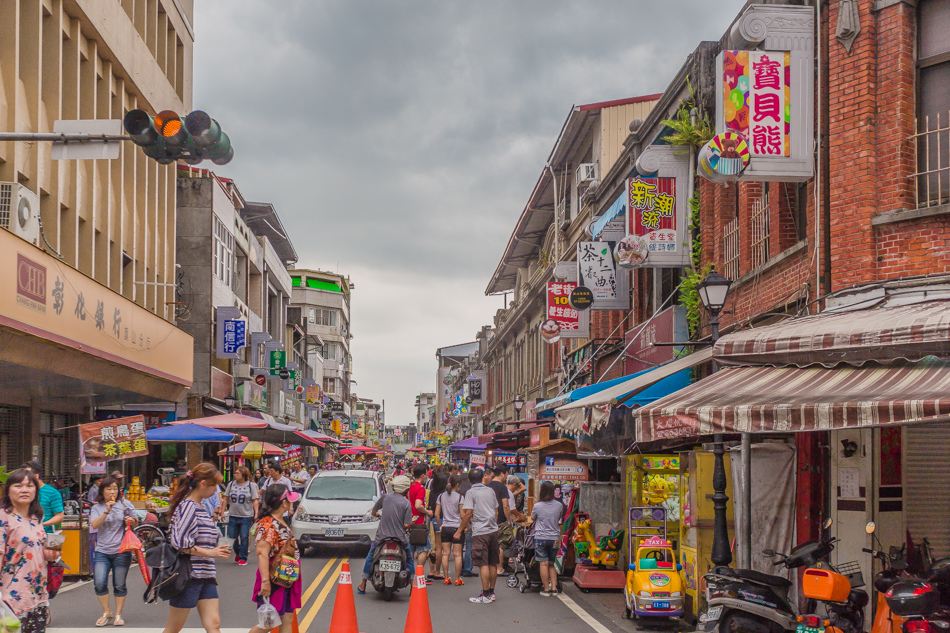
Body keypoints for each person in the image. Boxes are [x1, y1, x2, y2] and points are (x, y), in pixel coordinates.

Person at [163, 463, 231, 633]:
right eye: (213, 485)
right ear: (202, 484)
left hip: (206, 574)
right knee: (174, 628)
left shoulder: (199, 507)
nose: (216, 490)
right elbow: (180, 543)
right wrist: (210, 552)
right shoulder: (188, 507)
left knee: (214, 624)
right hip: (189, 575)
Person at [0, 469, 59, 633]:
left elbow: (34, 550)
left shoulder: (36, 517)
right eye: (18, 486)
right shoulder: (3, 518)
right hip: (10, 597)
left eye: (29, 486)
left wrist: (50, 554)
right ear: (8, 490)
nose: (24, 490)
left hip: (37, 595)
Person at [248, 484, 301, 633]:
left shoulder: (281, 521)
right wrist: (265, 582)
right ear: (283, 502)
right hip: (274, 578)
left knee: (287, 620)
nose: (292, 503)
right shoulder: (267, 524)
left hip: (286, 577)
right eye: (289, 500)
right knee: (269, 623)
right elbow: (262, 554)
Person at [90, 475, 138, 626]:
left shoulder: (125, 505)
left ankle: (118, 614)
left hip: (121, 550)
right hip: (102, 551)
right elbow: (94, 526)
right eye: (109, 488)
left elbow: (136, 522)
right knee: (99, 582)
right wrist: (106, 511)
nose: (112, 491)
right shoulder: (96, 508)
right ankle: (106, 611)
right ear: (102, 491)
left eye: (115, 488)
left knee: (119, 584)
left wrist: (131, 521)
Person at [356, 475, 413, 594]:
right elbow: (407, 525)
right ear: (406, 489)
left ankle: (363, 585)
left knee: (370, 557)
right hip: (400, 539)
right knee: (409, 560)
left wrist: (377, 515)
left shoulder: (385, 498)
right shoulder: (406, 503)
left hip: (381, 537)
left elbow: (374, 511)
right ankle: (413, 586)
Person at [455, 468, 499, 604]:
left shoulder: (471, 492)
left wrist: (459, 530)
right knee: (493, 562)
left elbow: (468, 513)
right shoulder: (490, 491)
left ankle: (485, 594)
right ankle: (491, 592)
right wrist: (492, 523)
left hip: (480, 531)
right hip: (493, 530)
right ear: (483, 478)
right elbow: (496, 511)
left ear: (468, 480)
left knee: (482, 563)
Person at [531, 481, 564, 597]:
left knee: (543, 564)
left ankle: (546, 589)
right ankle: (554, 589)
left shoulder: (537, 506)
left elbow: (533, 518)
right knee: (551, 563)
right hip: (554, 537)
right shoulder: (559, 505)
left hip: (540, 537)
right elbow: (559, 518)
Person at [222, 467, 259, 566]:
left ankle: (243, 557)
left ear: (244, 475)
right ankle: (238, 552)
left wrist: (256, 513)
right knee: (232, 537)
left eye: (238, 473)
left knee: (244, 537)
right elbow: (225, 498)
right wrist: (222, 511)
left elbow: (255, 500)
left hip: (246, 516)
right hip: (233, 515)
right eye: (235, 473)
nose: (236, 475)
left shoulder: (250, 486)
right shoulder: (231, 484)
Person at [436, 474, 464, 586]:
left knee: (445, 554)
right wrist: (465, 526)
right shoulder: (460, 497)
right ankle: (457, 579)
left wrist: (440, 525)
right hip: (457, 527)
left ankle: (446, 578)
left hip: (445, 527)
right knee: (457, 554)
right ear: (457, 485)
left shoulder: (441, 496)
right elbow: (462, 515)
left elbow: (437, 514)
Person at [407, 465, 433, 583]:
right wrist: (427, 512)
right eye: (426, 475)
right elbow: (418, 505)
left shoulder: (410, 487)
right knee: (423, 550)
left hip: (409, 522)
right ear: (422, 475)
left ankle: (411, 573)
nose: (427, 477)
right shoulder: (420, 489)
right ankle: (419, 574)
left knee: (411, 549)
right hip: (419, 523)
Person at [486, 466, 513, 576]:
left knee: (491, 544)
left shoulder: (487, 486)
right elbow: (505, 505)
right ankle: (499, 568)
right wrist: (508, 520)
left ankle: (490, 567)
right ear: (502, 474)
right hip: (501, 519)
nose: (506, 477)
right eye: (506, 474)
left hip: (489, 519)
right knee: (501, 544)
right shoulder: (502, 487)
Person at [23, 462, 64, 534]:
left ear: (36, 476)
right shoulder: (22, 492)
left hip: (45, 534)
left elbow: (59, 517)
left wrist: (42, 524)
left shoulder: (52, 492)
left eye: (27, 475)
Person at [426, 465, 449, 580]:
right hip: (440, 519)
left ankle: (431, 570)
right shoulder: (445, 494)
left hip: (431, 520)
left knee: (432, 545)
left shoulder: (431, 493)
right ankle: (437, 571)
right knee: (440, 547)